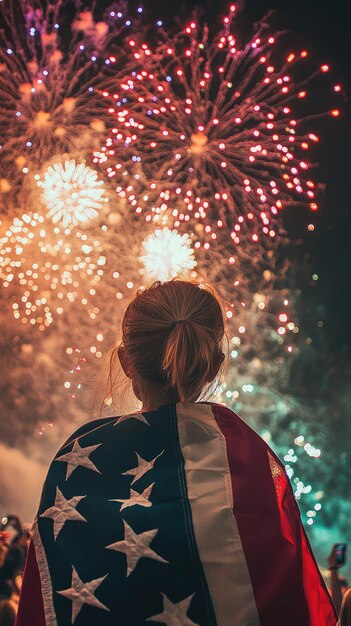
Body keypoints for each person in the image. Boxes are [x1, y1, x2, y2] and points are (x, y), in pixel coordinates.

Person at [16, 280, 337, 625]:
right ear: (213, 365)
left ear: (126, 362)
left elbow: (47, 599)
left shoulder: (80, 458)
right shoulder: (246, 457)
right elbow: (282, 593)